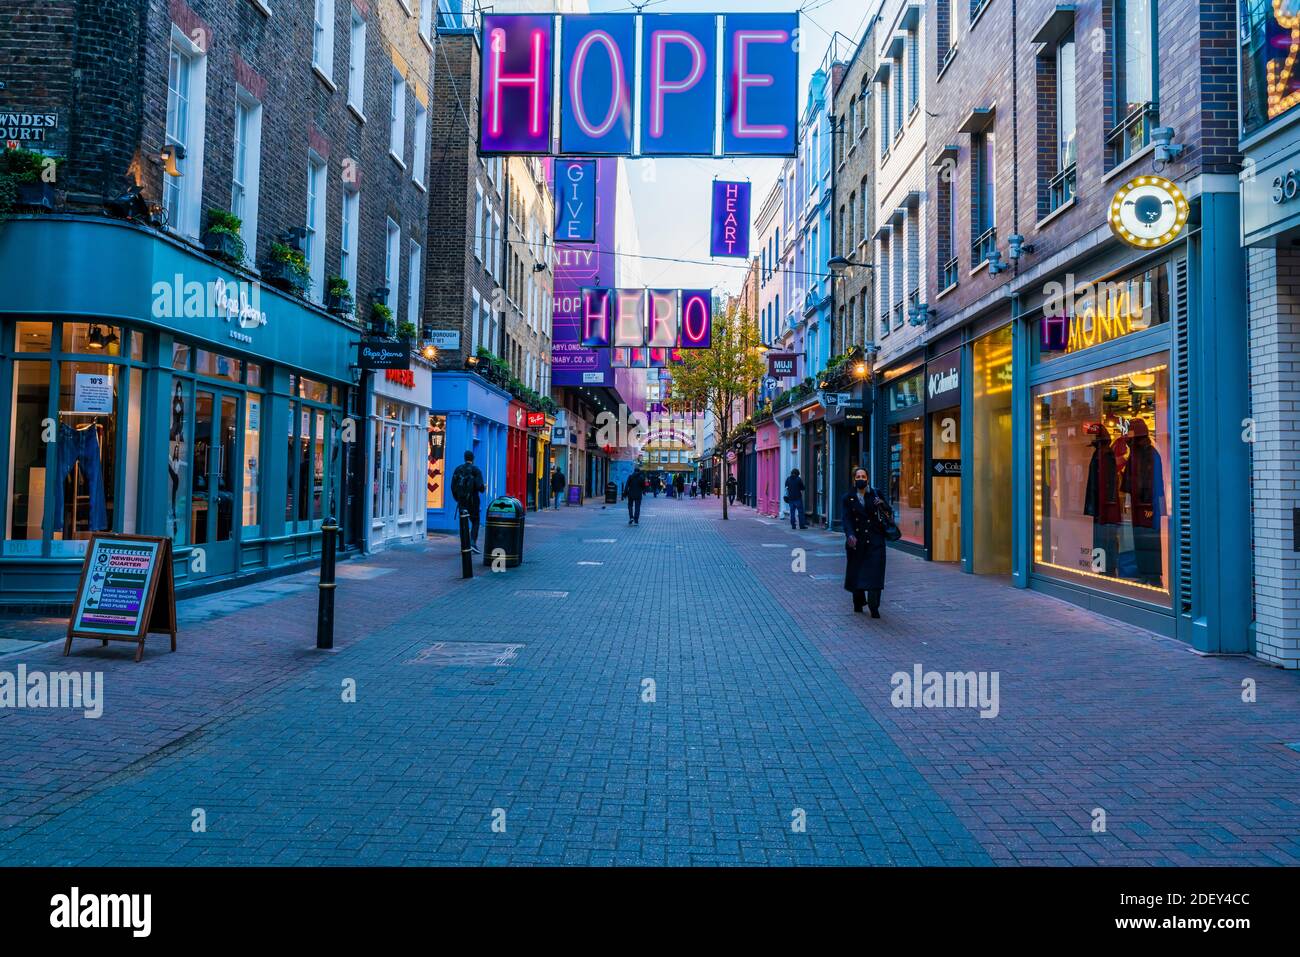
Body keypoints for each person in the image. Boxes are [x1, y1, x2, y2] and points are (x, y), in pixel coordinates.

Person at [842, 467, 889, 618]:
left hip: (875, 541)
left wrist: (881, 504)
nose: (861, 479)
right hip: (857, 542)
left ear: (868, 478)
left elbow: (888, 511)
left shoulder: (875, 494)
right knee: (857, 573)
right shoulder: (848, 497)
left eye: (863, 476)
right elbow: (846, 519)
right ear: (854, 479)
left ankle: (874, 607)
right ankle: (858, 602)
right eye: (858, 476)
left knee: (875, 574)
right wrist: (850, 535)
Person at [451, 450, 487, 553]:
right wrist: (483, 487)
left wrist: (458, 499)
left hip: (462, 501)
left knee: (463, 522)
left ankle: (464, 546)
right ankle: (472, 543)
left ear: (464, 458)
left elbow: (453, 487)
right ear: (473, 459)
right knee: (475, 521)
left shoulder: (458, 470)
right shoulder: (476, 470)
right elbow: (480, 487)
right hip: (473, 501)